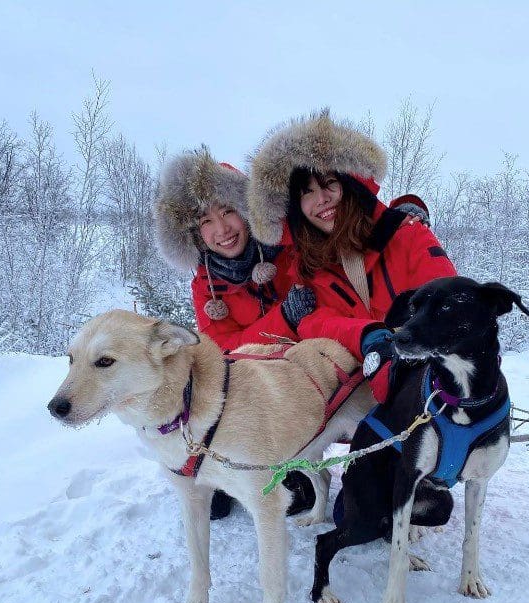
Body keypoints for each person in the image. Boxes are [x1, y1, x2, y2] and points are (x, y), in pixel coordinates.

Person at [247, 111, 458, 401]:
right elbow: (313, 322)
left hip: (434, 387)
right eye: (306, 192)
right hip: (364, 399)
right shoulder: (308, 271)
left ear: (351, 184)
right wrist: (367, 335)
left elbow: (447, 301)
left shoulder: (407, 235)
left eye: (329, 183)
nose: (321, 199)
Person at [154, 146, 317, 519]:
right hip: (246, 384)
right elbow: (222, 347)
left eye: (228, 211)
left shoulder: (288, 252)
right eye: (205, 221)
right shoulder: (204, 283)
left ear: (247, 212)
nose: (222, 230)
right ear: (194, 234)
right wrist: (283, 318)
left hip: (296, 383)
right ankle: (218, 462)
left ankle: (284, 460)